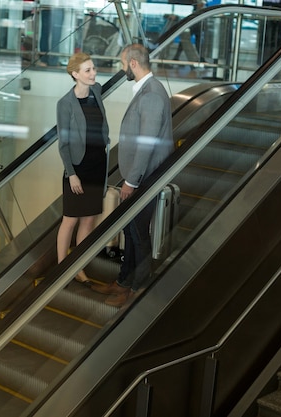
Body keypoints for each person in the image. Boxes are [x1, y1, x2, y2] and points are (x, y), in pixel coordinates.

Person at [91, 43, 174, 307]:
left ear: (133, 64)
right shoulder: (147, 90)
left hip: (145, 179)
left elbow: (147, 143)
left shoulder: (151, 94)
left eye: (122, 63)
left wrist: (132, 181)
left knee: (138, 236)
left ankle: (137, 292)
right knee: (130, 232)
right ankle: (124, 283)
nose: (121, 67)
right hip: (141, 177)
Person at [56, 52, 110, 286]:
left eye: (93, 69)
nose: (93, 74)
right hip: (78, 168)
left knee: (89, 220)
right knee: (70, 219)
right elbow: (63, 143)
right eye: (87, 70)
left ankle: (78, 268)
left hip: (98, 164)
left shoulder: (96, 91)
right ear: (75, 74)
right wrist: (72, 175)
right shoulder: (65, 103)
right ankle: (61, 268)